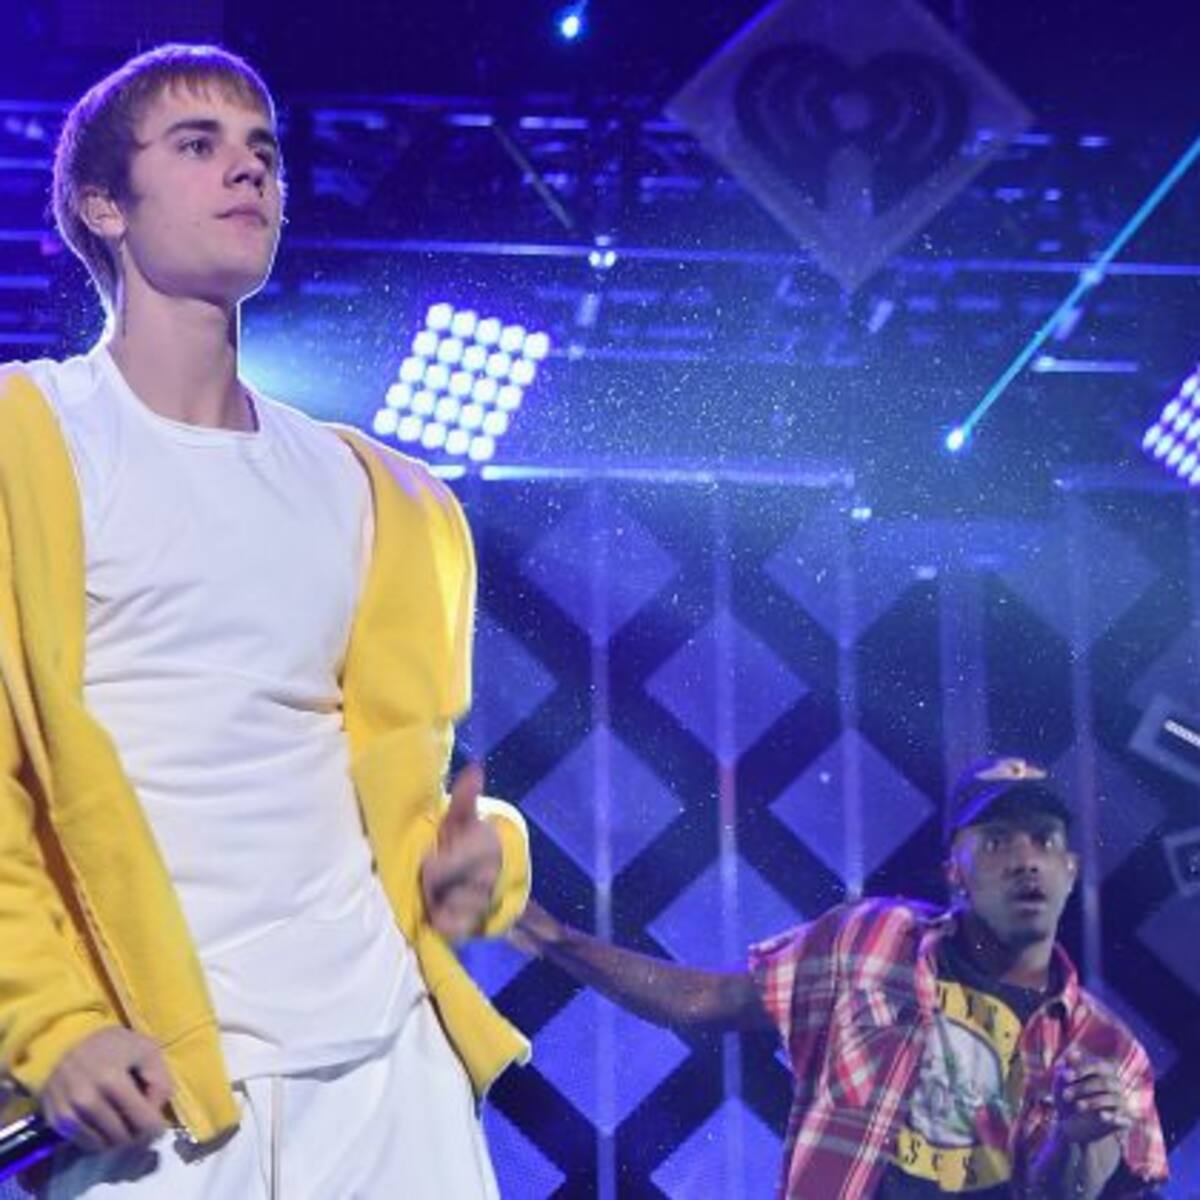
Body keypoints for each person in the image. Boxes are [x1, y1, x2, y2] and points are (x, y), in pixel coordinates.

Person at [0, 43, 531, 1198]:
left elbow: (401, 790)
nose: (248, 171)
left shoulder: (386, 496)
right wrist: (46, 1024)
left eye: (264, 152)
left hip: (389, 1061)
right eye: (198, 145)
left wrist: (475, 862)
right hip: (159, 1081)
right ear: (103, 205)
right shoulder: (28, 439)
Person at [515, 756, 1169, 1199]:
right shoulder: (875, 941)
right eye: (997, 840)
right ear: (954, 870)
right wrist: (554, 938)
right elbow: (707, 998)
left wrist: (1078, 1142)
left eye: (1045, 840)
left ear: (1071, 870)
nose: (1027, 861)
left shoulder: (1110, 1052)